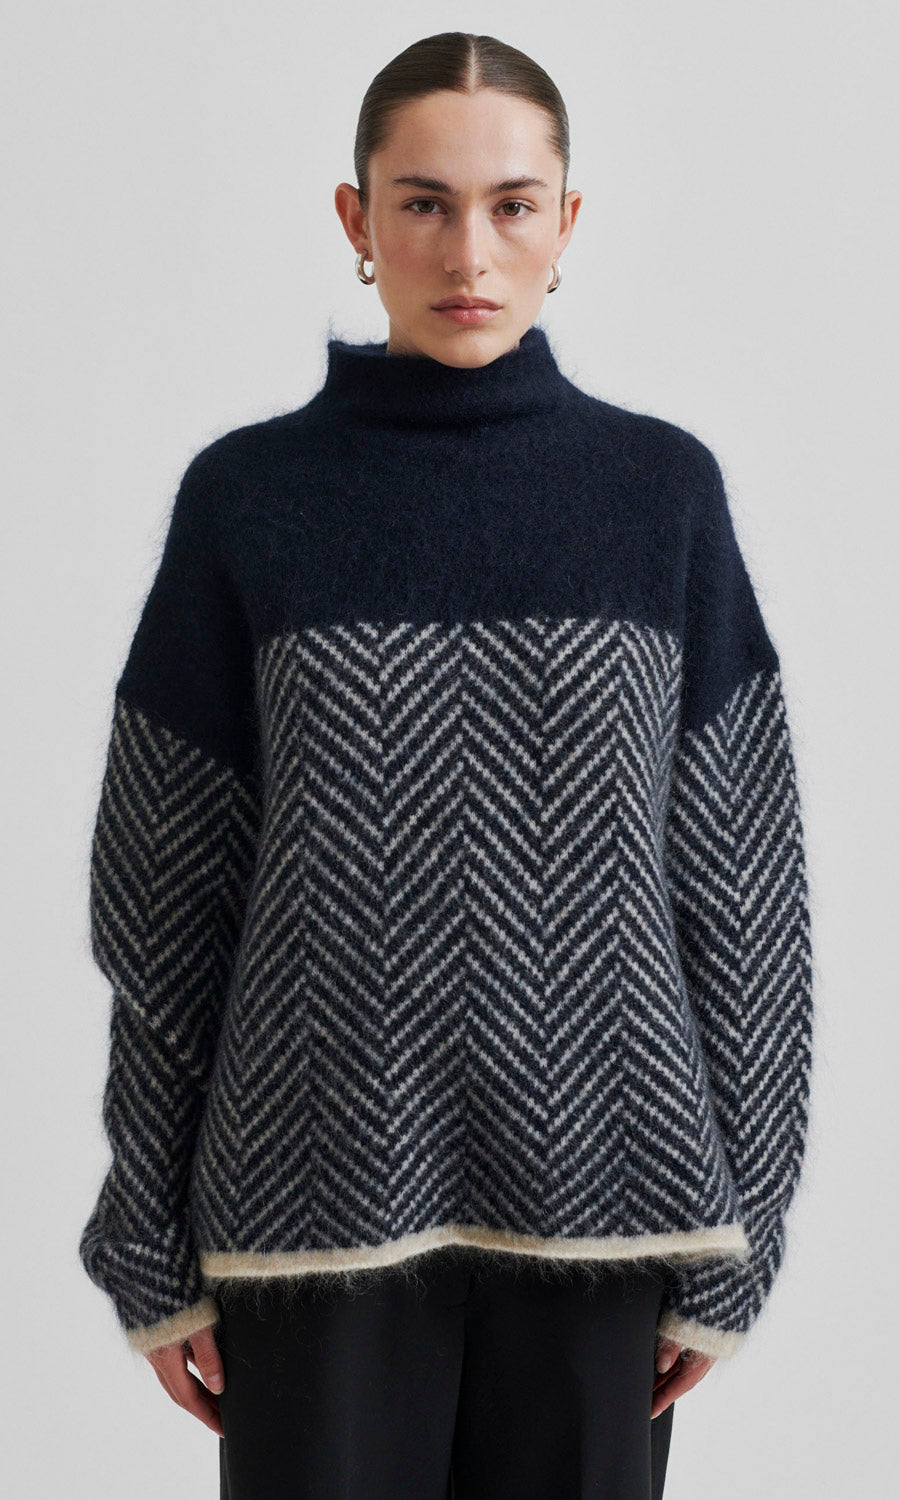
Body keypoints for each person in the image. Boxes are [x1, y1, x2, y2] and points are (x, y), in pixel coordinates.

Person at [77, 30, 814, 1500]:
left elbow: (744, 891)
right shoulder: (250, 500)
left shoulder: (659, 495)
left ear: (567, 221)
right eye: (423, 203)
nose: (469, 251)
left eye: (512, 204)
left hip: (611, 1203)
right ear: (356, 219)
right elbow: (163, 902)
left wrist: (745, 1230)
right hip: (307, 1207)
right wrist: (148, 1239)